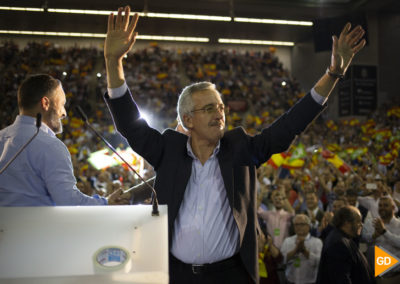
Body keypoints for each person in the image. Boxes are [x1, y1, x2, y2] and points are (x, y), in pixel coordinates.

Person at [103, 6, 366, 283]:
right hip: (177, 274)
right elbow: (129, 123)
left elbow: (290, 124)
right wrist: (112, 60)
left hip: (231, 274)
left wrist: (333, 74)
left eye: (221, 107)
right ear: (188, 120)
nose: (219, 113)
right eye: (208, 109)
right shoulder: (167, 149)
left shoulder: (241, 150)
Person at [0, 74, 123, 206]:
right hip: (37, 226)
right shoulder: (50, 146)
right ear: (45, 103)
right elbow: (69, 202)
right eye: (62, 104)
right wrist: (106, 203)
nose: (64, 113)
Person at [316, 206, 374, 284]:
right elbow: (341, 278)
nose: (361, 225)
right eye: (358, 221)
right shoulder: (338, 244)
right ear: (347, 223)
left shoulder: (344, 239)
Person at [362, 196, 400, 283]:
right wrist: (374, 236)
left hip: (396, 275)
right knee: (372, 249)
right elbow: (363, 239)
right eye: (380, 205)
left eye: (385, 205)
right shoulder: (371, 223)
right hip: (376, 276)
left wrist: (385, 232)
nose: (382, 208)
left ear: (393, 208)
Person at [281, 214, 322, 284]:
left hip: (309, 282)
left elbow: (319, 262)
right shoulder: (287, 241)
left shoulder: (317, 242)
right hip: (290, 281)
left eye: (302, 224)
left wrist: (304, 251)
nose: (299, 227)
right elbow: (282, 260)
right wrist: (295, 251)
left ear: (309, 226)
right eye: (296, 224)